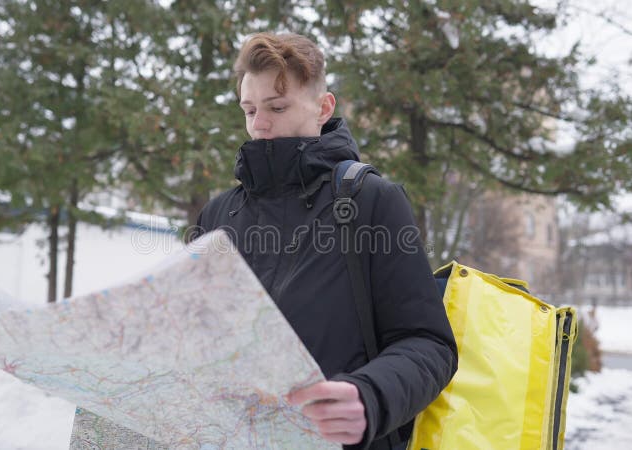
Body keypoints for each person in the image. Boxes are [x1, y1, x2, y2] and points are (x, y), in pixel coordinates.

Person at [194, 32, 458, 450]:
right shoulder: (216, 216)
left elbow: (430, 344)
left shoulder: (372, 202)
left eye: (277, 107)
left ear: (323, 107)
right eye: (249, 109)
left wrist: (370, 396)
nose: (259, 124)